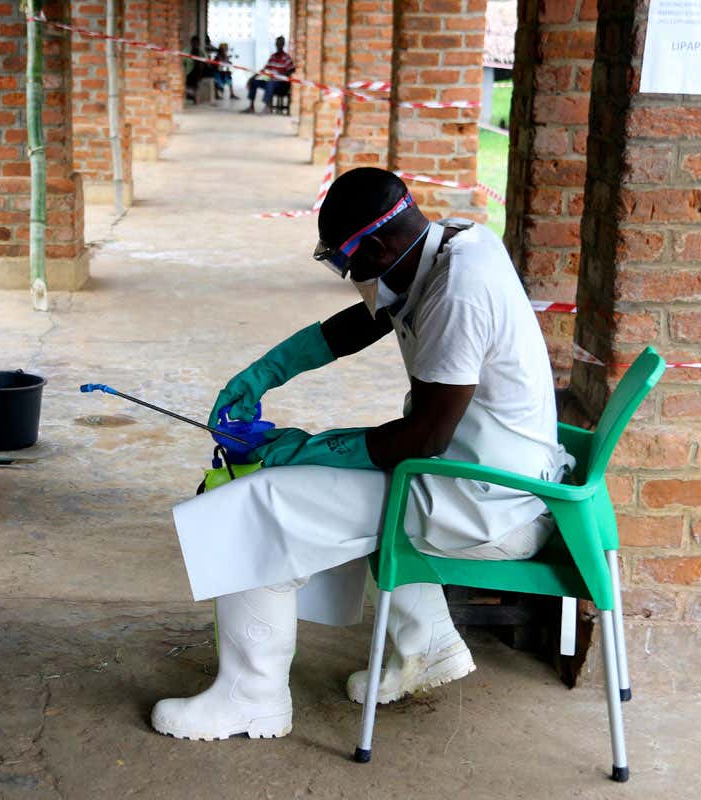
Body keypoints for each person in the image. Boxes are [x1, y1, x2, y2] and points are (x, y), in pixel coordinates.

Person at [151, 167, 574, 741]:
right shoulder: (448, 244)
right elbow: (365, 322)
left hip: (484, 506)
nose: (350, 277)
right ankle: (425, 645)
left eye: (348, 263)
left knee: (255, 502)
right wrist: (266, 372)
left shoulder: (458, 292)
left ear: (377, 245)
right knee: (321, 476)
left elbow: (422, 440)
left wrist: (304, 449)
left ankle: (251, 697)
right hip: (495, 478)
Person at [243, 36, 295, 114]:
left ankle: (267, 107)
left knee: (270, 82)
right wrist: (253, 77)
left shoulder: (286, 57)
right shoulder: (273, 56)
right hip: (270, 79)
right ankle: (251, 106)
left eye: (280, 44)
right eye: (277, 44)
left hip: (281, 84)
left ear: (283, 45)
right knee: (254, 81)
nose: (278, 45)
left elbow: (291, 70)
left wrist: (280, 75)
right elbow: (264, 70)